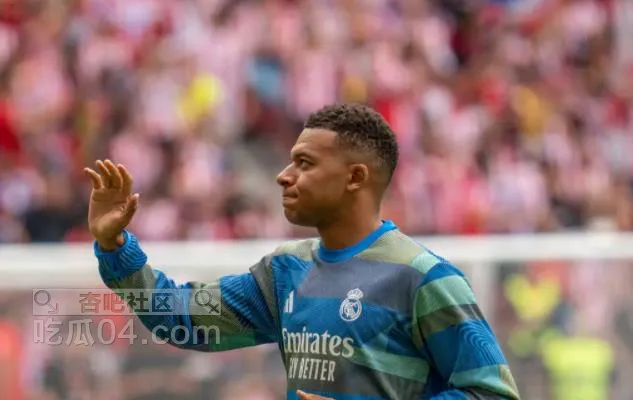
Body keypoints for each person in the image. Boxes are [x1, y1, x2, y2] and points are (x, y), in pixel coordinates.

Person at [85, 103, 520, 400]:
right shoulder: (286, 271)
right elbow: (181, 317)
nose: (283, 175)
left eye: (305, 163)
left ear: (355, 178)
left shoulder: (422, 277)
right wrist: (115, 246)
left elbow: (492, 393)